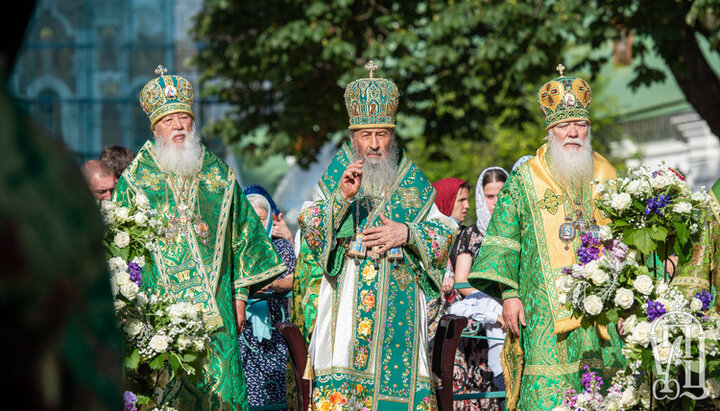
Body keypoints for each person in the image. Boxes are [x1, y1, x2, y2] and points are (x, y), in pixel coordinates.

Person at [112, 65, 286, 410]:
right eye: (169, 121)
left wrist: (238, 298)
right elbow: (120, 247)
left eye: (183, 119)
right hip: (158, 321)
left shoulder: (218, 176)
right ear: (156, 128)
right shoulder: (134, 181)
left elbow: (244, 241)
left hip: (218, 319)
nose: (178, 126)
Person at [298, 61, 457, 409]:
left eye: (381, 134)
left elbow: (444, 229)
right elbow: (309, 224)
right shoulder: (337, 176)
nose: (374, 145)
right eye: (365, 135)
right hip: (346, 304)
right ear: (353, 137)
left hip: (399, 300)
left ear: (392, 136)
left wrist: (408, 232)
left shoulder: (410, 180)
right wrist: (341, 200)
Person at [469, 65, 625, 410]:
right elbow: (504, 240)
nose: (573, 132)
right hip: (543, 317)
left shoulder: (606, 173)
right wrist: (509, 295)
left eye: (580, 125)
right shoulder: (526, 178)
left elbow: (624, 240)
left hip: (601, 316)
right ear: (550, 129)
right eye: (564, 125)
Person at [238, 185, 296, 408]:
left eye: (261, 219)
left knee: (276, 390)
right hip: (245, 328)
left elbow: (294, 278)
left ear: (270, 220)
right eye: (251, 218)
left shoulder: (280, 246)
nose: (255, 224)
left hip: (275, 328)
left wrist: (273, 283)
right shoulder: (238, 248)